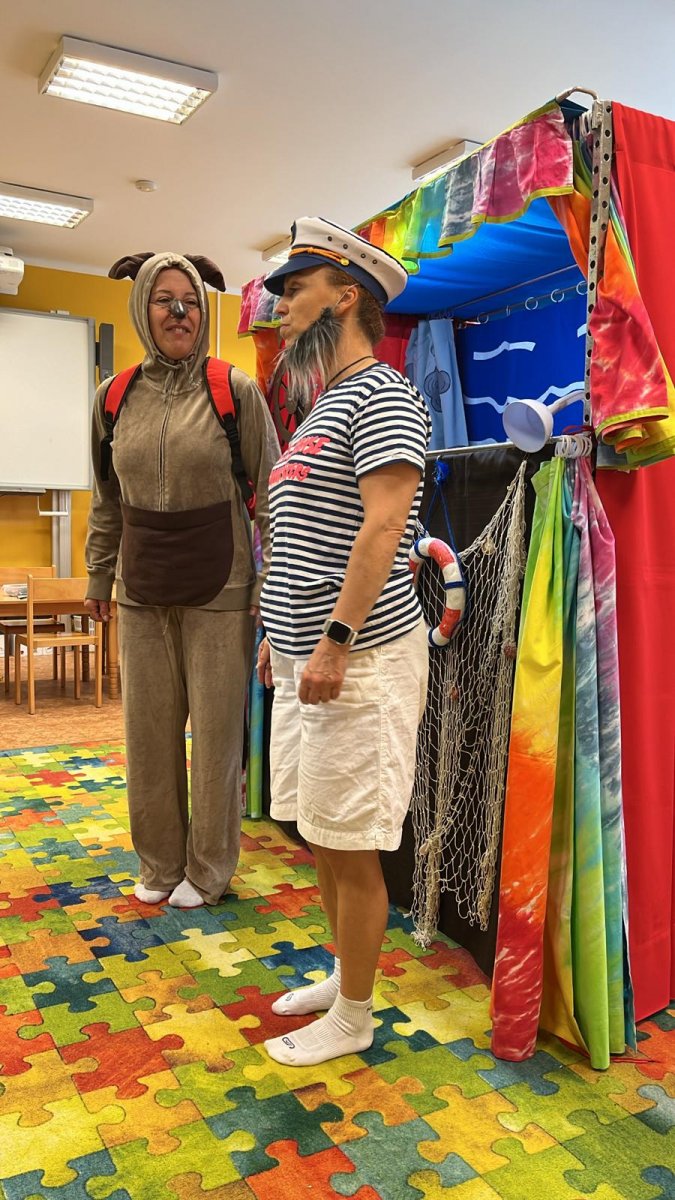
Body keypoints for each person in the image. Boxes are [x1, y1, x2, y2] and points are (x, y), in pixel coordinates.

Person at [256, 217, 431, 1066]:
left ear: (345, 297)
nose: (282, 304)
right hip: (305, 656)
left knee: (351, 839)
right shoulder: (323, 403)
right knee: (321, 830)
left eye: (297, 288)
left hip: (359, 658)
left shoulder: (383, 394)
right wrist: (277, 638)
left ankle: (354, 1016)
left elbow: (383, 527)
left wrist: (333, 640)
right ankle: (343, 975)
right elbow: (298, 533)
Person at [85, 251, 279, 909]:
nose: (178, 312)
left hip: (221, 589)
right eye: (164, 299)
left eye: (190, 301)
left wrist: (270, 586)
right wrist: (97, 576)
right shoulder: (113, 398)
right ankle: (161, 863)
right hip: (141, 590)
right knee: (149, 739)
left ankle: (209, 869)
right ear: (142, 308)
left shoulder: (234, 390)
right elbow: (106, 498)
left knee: (217, 740)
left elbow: (273, 494)